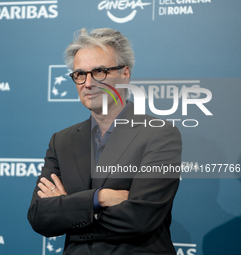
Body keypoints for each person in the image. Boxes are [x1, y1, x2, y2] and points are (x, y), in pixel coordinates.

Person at [27, 28, 182, 255]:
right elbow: (40, 216)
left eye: (99, 72)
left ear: (125, 73)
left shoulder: (159, 134)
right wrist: (100, 198)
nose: (88, 83)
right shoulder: (62, 141)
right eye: (80, 74)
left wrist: (69, 207)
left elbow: (139, 218)